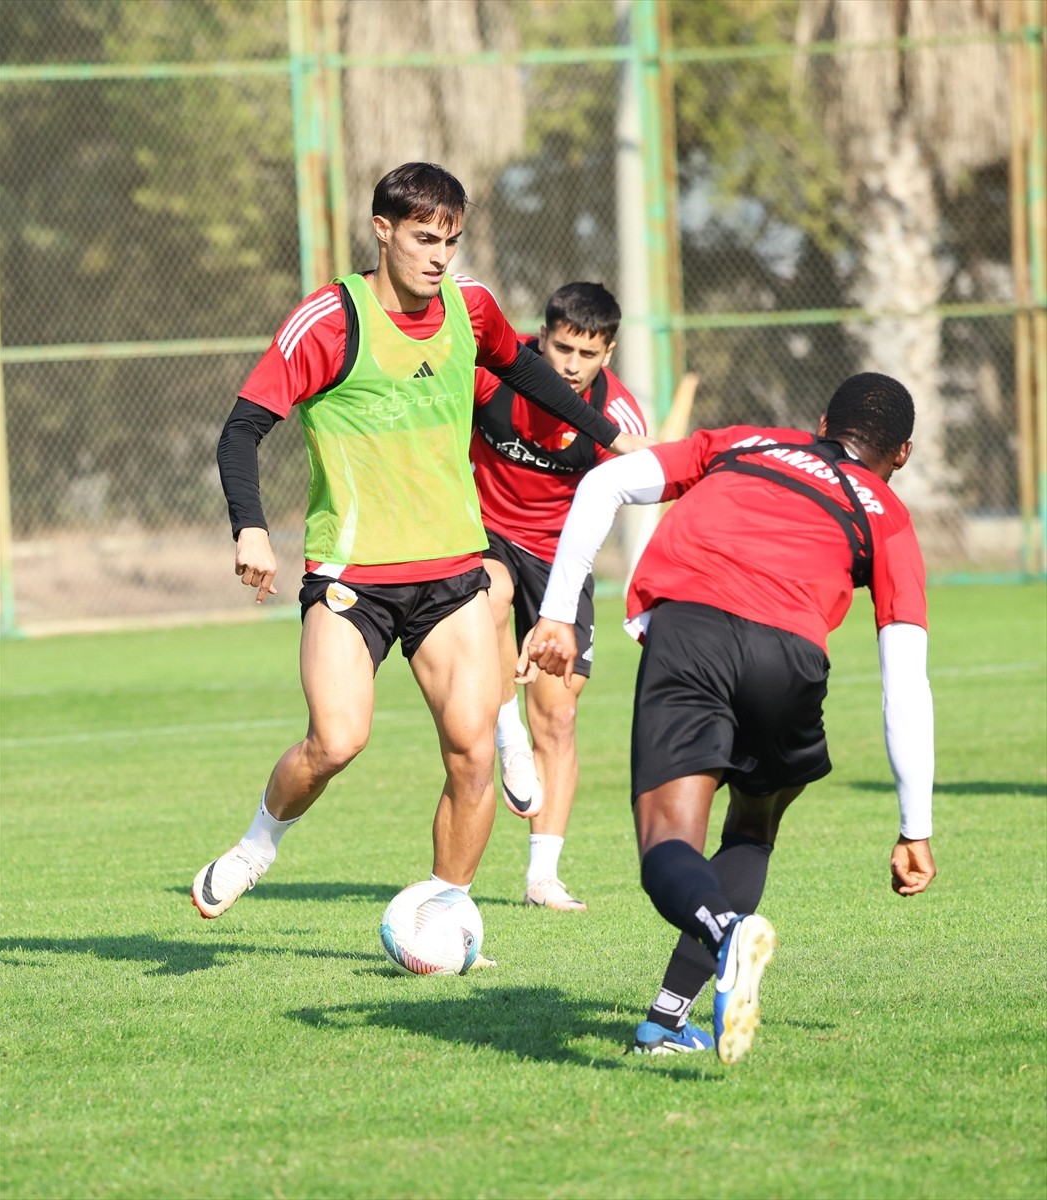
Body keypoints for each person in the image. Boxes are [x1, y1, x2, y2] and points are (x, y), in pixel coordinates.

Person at [191, 163, 647, 937]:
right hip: (353, 576)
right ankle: (255, 845)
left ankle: (444, 913)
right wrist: (251, 526)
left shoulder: (470, 306)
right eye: (423, 238)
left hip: (451, 575)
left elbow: (521, 364)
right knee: (337, 741)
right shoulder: (331, 320)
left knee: (472, 756)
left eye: (451, 239)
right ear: (382, 230)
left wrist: (610, 435)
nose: (439, 255)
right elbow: (241, 427)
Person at [524, 372, 936, 1063]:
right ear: (903, 453)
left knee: (667, 845)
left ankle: (725, 935)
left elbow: (603, 484)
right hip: (790, 659)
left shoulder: (745, 443)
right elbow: (904, 674)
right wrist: (913, 825)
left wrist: (559, 613)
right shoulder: (887, 515)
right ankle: (664, 1019)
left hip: (691, 632)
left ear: (821, 421)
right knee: (754, 825)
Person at [470, 282, 648, 912]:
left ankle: (542, 876)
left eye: (588, 354)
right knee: (487, 596)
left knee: (561, 717)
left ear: (609, 352)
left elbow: (622, 503)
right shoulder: (490, 373)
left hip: (562, 560)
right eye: (562, 347)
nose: (572, 365)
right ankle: (504, 731)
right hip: (484, 533)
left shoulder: (617, 418)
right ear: (539, 337)